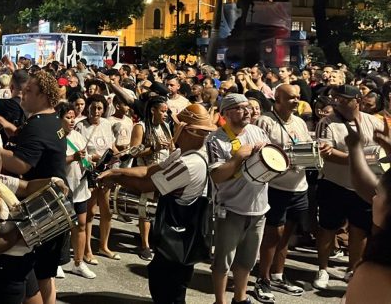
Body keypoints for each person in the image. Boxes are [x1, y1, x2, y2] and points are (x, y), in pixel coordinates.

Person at [99, 104, 216, 304]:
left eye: (177, 124)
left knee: (169, 291)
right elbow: (150, 170)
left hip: (178, 239)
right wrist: (116, 171)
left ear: (188, 130)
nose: (173, 128)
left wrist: (116, 178)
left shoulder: (190, 163)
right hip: (175, 237)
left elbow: (147, 184)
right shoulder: (182, 154)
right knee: (162, 281)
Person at [0, 130, 67, 304]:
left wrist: (53, 181)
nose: (3, 161)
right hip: (1, 270)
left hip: (22, 261)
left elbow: (28, 186)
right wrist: (28, 224)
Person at [0, 70, 67, 304]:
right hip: (53, 203)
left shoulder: (38, 125)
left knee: (39, 275)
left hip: (44, 207)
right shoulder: (50, 120)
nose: (22, 94)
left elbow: (22, 163)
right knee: (45, 274)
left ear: (44, 97)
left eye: (29, 91)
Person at [313, 84, 383, 289]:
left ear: (357, 101)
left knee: (359, 230)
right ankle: (323, 269)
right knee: (328, 228)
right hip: (334, 183)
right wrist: (361, 159)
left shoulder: (373, 121)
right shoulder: (327, 122)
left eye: (344, 99)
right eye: (336, 99)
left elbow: (381, 150)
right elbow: (327, 153)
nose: (338, 103)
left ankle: (353, 269)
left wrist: (363, 160)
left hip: (363, 186)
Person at [207, 93, 272, 304]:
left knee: (247, 260)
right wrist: (237, 158)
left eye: (248, 107)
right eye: (240, 107)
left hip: (259, 207)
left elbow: (274, 161)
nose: (247, 111)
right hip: (231, 207)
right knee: (223, 260)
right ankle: (220, 301)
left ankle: (240, 298)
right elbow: (216, 176)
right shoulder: (216, 139)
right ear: (226, 113)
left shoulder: (257, 131)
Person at [252, 85, 311, 302]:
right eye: (291, 97)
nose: (296, 100)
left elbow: (304, 146)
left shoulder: (300, 122)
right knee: (272, 234)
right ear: (277, 99)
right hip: (276, 186)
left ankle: (277, 274)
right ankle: (263, 279)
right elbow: (259, 153)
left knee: (287, 234)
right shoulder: (265, 121)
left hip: (299, 186)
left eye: (298, 97)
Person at [343, 115, 391, 303]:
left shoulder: (377, 274)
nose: (373, 198)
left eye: (378, 195)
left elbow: (365, 186)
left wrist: (354, 147)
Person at [76, 94, 120, 262]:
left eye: (100, 108)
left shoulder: (107, 124)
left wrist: (118, 154)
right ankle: (87, 250)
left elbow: (111, 145)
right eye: (93, 107)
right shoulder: (81, 126)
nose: (96, 111)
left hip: (106, 172)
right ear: (88, 107)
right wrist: (92, 157)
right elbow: (78, 149)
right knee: (91, 211)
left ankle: (104, 246)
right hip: (90, 173)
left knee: (107, 211)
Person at [129, 96, 173, 261]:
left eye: (166, 111)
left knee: (161, 209)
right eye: (162, 111)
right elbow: (132, 151)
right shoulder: (140, 126)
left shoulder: (166, 126)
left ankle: (157, 240)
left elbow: (171, 146)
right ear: (153, 110)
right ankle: (144, 244)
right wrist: (153, 148)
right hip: (147, 172)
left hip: (165, 172)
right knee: (146, 208)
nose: (165, 114)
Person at [57, 102, 95, 279]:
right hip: (63, 188)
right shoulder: (55, 137)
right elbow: (53, 162)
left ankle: (78, 263)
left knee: (81, 224)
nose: (72, 121)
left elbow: (85, 160)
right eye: (68, 117)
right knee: (60, 226)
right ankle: (56, 262)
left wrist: (90, 164)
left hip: (80, 188)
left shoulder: (79, 136)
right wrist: (72, 157)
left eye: (73, 117)